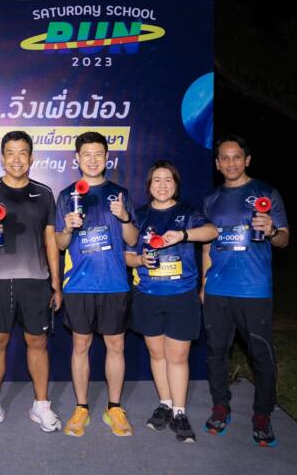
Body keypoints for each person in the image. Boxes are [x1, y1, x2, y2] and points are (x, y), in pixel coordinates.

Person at [0, 130, 63, 435]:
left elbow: (51, 241)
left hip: (35, 281)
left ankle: (41, 405)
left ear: (31, 158)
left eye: (23, 153)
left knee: (38, 342)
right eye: (10, 153)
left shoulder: (44, 193)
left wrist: (56, 284)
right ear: (2, 157)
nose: (17, 159)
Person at [201, 135, 289, 447]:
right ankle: (220, 407)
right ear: (217, 163)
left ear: (247, 159)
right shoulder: (210, 198)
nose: (231, 163)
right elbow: (207, 245)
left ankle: (262, 414)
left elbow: (284, 240)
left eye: (236, 157)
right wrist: (204, 285)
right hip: (218, 289)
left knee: (261, 354)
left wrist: (272, 230)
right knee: (216, 352)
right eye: (224, 158)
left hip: (254, 289)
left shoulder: (266, 193)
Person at [125, 160, 217, 443]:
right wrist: (140, 260)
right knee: (157, 355)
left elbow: (212, 232)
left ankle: (179, 411)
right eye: (157, 180)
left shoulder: (187, 213)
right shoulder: (139, 216)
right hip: (148, 295)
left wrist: (183, 235)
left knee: (177, 357)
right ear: (149, 185)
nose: (162, 185)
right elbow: (127, 255)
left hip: (182, 295)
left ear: (176, 184)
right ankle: (165, 404)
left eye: (168, 180)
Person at [54, 131, 138, 437]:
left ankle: (114, 407)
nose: (92, 160)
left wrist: (125, 217)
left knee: (116, 345)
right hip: (79, 285)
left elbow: (133, 240)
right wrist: (66, 227)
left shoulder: (119, 193)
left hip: (114, 283)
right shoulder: (67, 196)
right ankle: (81, 408)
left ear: (107, 158)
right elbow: (60, 244)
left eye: (98, 154)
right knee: (81, 345)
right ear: (77, 158)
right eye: (86, 155)